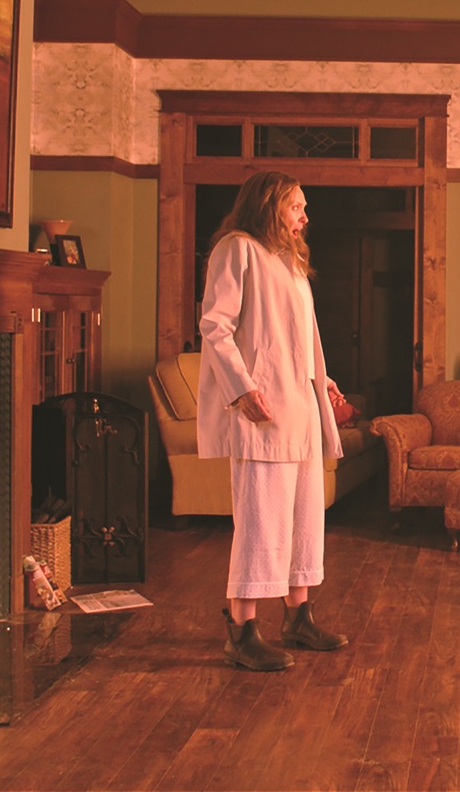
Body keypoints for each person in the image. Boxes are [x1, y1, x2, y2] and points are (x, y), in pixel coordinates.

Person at [197, 171, 349, 671]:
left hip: (300, 407)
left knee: (305, 518)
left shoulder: (291, 262)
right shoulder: (237, 250)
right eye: (296, 206)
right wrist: (242, 389)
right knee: (261, 522)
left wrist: (321, 380)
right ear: (269, 205)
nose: (305, 216)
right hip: (262, 410)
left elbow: (299, 337)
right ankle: (241, 631)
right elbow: (215, 327)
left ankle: (298, 617)